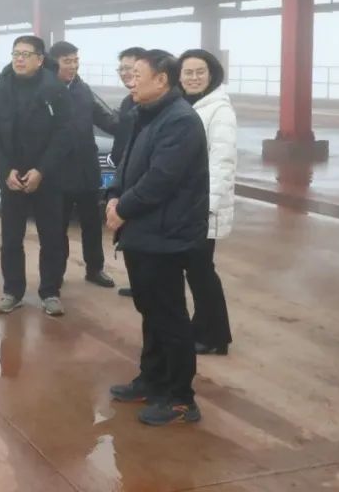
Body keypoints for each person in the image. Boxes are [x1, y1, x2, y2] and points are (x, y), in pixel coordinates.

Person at [105, 49, 209, 426]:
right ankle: (152, 379)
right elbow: (126, 163)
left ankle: (181, 398)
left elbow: (161, 178)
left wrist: (123, 208)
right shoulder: (144, 114)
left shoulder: (180, 120)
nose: (130, 81)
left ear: (162, 80)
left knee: (169, 316)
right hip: (143, 231)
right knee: (150, 311)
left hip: (167, 233)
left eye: (137, 75)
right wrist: (113, 194)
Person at [0, 35, 72, 317]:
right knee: (11, 239)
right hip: (12, 177)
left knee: (52, 238)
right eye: (16, 54)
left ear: (40, 59)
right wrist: (4, 170)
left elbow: (64, 135)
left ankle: (50, 292)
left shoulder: (55, 91)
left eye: (25, 54)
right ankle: (12, 291)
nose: (19, 59)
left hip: (47, 177)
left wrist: (42, 170)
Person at [180, 49, 236, 356]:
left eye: (200, 72)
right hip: (188, 203)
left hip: (203, 207)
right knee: (196, 269)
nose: (194, 78)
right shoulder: (190, 105)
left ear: (211, 74)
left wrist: (207, 206)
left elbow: (222, 162)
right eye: (187, 72)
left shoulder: (219, 110)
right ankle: (204, 328)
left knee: (201, 270)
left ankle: (215, 335)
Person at [48, 40, 117, 288]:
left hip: (87, 169)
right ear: (54, 62)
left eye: (76, 61)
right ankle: (55, 273)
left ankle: (95, 269)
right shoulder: (45, 91)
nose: (73, 66)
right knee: (58, 228)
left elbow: (105, 119)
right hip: (57, 172)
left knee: (92, 224)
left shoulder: (82, 89)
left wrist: (131, 122)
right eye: (67, 61)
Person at [111, 47, 145, 298]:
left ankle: (146, 285)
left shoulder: (151, 104)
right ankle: (138, 283)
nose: (124, 73)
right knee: (129, 235)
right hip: (126, 175)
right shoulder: (127, 102)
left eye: (130, 68)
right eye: (121, 68)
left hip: (142, 179)